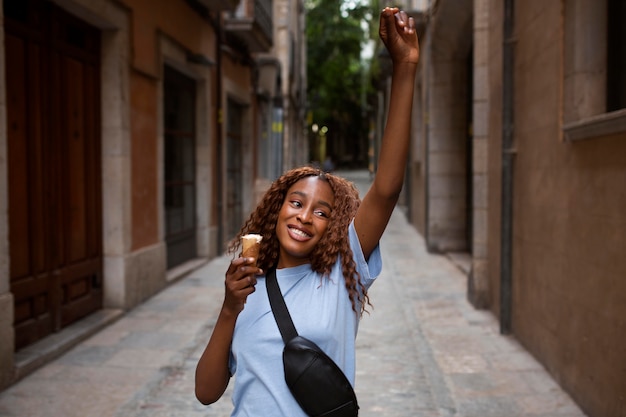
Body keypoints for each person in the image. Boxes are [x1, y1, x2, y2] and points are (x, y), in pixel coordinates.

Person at [195, 7, 419, 416]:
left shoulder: (341, 275)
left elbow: (386, 190)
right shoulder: (247, 288)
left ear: (333, 226)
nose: (303, 216)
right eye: (296, 203)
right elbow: (207, 392)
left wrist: (405, 67)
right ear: (277, 209)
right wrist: (229, 308)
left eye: (321, 212)